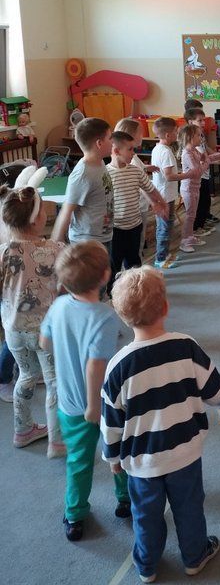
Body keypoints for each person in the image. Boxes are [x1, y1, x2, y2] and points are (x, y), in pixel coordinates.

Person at [100, 265, 220, 582]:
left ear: (122, 316)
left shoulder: (117, 367)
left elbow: (111, 422)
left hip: (141, 462)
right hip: (185, 453)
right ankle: (194, 556)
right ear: (166, 307)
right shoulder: (186, 346)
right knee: (189, 507)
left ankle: (146, 565)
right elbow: (218, 393)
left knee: (145, 515)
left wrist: (113, 458)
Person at [39, 241, 130, 541]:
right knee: (118, 451)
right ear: (106, 276)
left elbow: (45, 343)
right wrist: (93, 406)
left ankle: (75, 515)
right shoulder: (104, 316)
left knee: (78, 462)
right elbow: (95, 366)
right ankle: (126, 500)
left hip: (69, 404)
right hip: (103, 405)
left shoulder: (58, 306)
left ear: (65, 282)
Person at [0, 177, 65, 455]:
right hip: (45, 331)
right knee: (54, 382)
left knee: (26, 375)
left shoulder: (3, 252)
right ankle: (57, 441)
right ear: (38, 219)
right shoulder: (55, 250)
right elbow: (66, 288)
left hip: (13, 330)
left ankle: (23, 429)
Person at [106, 131, 167, 280]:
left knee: (134, 262)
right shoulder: (105, 173)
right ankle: (112, 290)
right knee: (114, 264)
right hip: (115, 230)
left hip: (134, 226)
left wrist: (161, 203)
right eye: (130, 149)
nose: (133, 153)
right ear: (116, 151)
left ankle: (135, 287)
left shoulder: (135, 171)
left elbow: (151, 189)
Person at [52, 118, 114, 247]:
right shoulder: (82, 175)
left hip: (103, 236)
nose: (113, 142)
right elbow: (67, 210)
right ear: (99, 143)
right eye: (110, 138)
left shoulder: (100, 162)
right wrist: (57, 242)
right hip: (87, 241)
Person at [114, 117, 160, 261]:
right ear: (131, 135)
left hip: (137, 208)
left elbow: (138, 171)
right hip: (136, 209)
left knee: (136, 243)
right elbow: (142, 186)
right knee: (135, 245)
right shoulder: (131, 159)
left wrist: (146, 167)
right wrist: (154, 202)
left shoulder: (132, 157)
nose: (142, 135)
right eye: (140, 132)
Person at [150, 117, 193, 269]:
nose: (177, 134)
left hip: (164, 194)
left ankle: (165, 254)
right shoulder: (165, 152)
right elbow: (169, 176)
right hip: (165, 195)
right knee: (164, 227)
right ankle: (160, 258)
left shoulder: (158, 148)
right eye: (176, 131)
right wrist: (187, 175)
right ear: (168, 135)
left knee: (166, 225)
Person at [184, 107, 220, 233]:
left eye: (203, 120)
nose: (203, 123)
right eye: (200, 120)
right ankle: (196, 228)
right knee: (199, 204)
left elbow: (206, 150)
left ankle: (201, 224)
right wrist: (217, 160)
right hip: (197, 177)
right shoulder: (191, 140)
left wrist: (219, 157)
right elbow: (200, 160)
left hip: (204, 174)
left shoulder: (200, 135)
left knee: (205, 201)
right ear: (190, 122)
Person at [176, 123, 207, 253]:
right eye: (198, 135)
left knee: (193, 215)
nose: (201, 138)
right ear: (190, 137)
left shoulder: (194, 150)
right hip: (188, 188)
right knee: (189, 215)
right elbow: (197, 171)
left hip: (195, 187)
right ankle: (184, 241)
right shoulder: (187, 153)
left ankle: (190, 237)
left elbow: (205, 159)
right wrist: (206, 163)